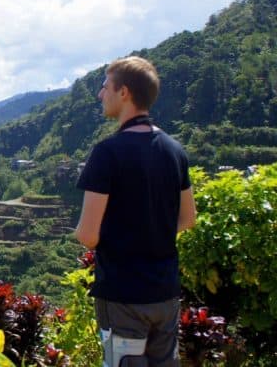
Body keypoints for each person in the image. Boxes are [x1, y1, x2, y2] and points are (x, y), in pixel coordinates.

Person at [74, 56, 197, 367]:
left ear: (124, 92)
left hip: (123, 295)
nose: (101, 94)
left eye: (104, 86)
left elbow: (88, 236)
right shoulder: (174, 150)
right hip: (165, 293)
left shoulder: (107, 153)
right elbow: (187, 219)